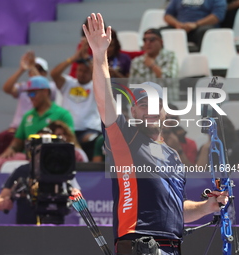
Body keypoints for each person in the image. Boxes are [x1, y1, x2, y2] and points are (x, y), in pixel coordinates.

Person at [83, 13, 228, 255]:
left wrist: (207, 206)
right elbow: (104, 101)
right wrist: (100, 56)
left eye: (156, 105)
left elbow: (176, 210)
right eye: (143, 104)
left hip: (172, 247)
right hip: (139, 246)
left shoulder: (173, 156)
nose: (150, 110)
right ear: (133, 110)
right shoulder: (125, 139)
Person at [0, 128, 81, 225]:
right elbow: (2, 197)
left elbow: (78, 198)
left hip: (56, 225)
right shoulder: (22, 170)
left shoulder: (63, 171)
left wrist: (76, 200)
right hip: (26, 226)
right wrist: (4, 202)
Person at [0, 76, 74, 172]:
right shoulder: (27, 116)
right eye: (28, 94)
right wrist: (11, 149)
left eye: (33, 93)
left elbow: (70, 139)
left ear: (45, 91)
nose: (30, 97)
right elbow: (18, 141)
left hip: (53, 156)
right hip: (28, 156)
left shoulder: (62, 114)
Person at [0, 51, 58, 163]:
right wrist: (22, 69)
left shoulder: (50, 87)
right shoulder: (24, 86)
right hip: (17, 130)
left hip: (37, 132)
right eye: (33, 69)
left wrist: (31, 68)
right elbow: (7, 88)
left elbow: (41, 84)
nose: (35, 71)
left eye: (39, 69)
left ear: (45, 73)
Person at [50, 52, 102, 144]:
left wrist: (94, 66)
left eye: (86, 71)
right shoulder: (68, 83)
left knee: (92, 140)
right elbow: (54, 74)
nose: (81, 74)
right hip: (67, 130)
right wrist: (73, 58)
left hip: (90, 130)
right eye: (80, 70)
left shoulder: (97, 86)